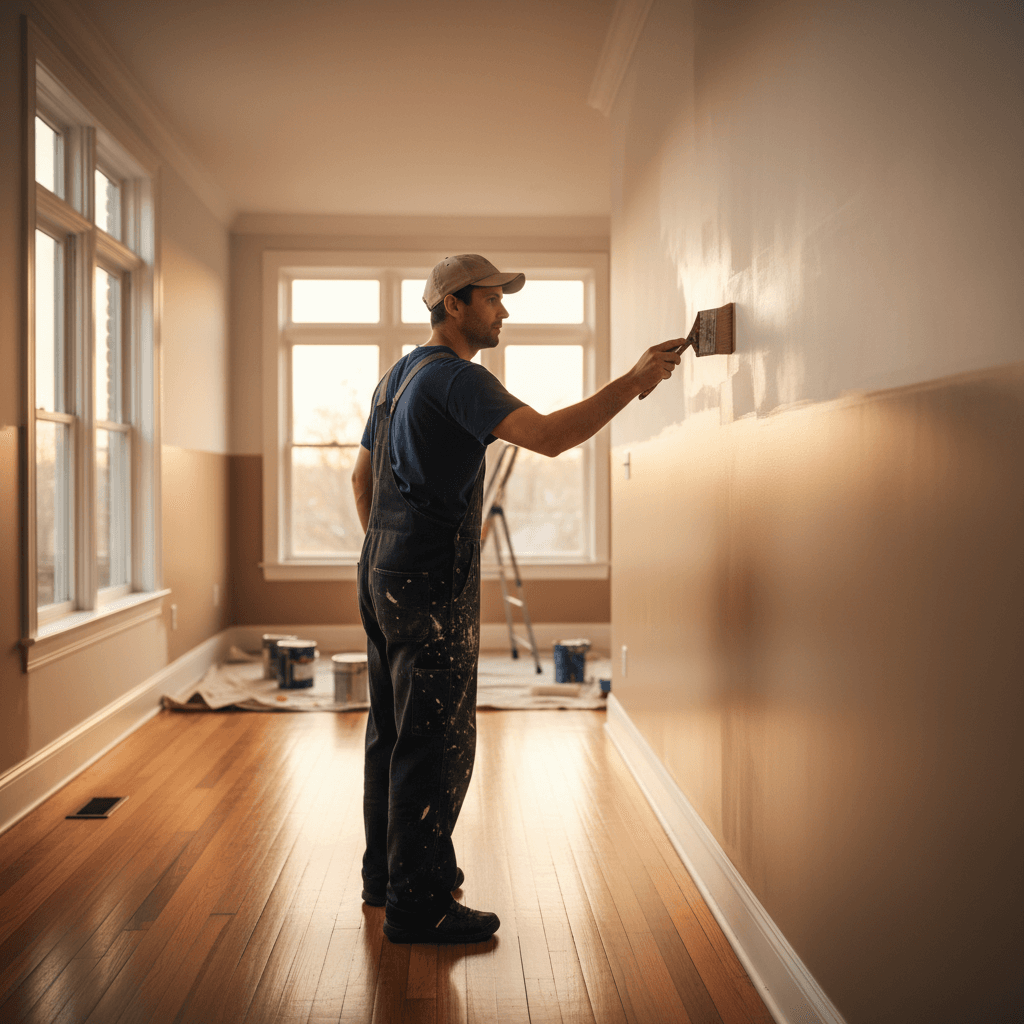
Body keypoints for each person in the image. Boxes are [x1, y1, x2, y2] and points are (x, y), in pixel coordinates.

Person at [352, 254, 682, 944]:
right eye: (493, 299)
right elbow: (552, 438)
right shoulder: (456, 378)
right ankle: (419, 906)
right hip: (427, 583)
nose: (504, 311)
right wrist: (637, 380)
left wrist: (388, 555)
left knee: (390, 729)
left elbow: (361, 477)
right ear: (453, 304)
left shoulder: (397, 376)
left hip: (381, 572)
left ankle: (390, 877)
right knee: (435, 742)